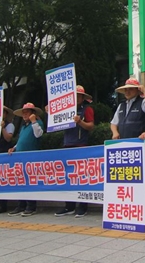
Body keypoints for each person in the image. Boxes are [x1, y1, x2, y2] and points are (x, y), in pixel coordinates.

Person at [55, 85, 95, 218]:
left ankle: (83, 206)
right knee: (69, 177)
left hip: (81, 145)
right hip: (67, 144)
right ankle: (69, 206)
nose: (76, 98)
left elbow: (90, 126)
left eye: (79, 95)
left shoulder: (87, 109)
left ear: (83, 97)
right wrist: (51, 113)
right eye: (74, 95)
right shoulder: (66, 110)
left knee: (82, 177)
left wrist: (80, 123)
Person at [7, 102, 44, 217]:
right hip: (20, 157)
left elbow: (39, 134)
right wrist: (13, 148)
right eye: (23, 113)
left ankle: (31, 206)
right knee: (21, 182)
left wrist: (34, 121)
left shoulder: (38, 123)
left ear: (33, 113)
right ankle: (21, 205)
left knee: (30, 182)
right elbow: (20, 141)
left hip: (31, 158)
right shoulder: (23, 127)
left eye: (27, 112)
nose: (24, 115)